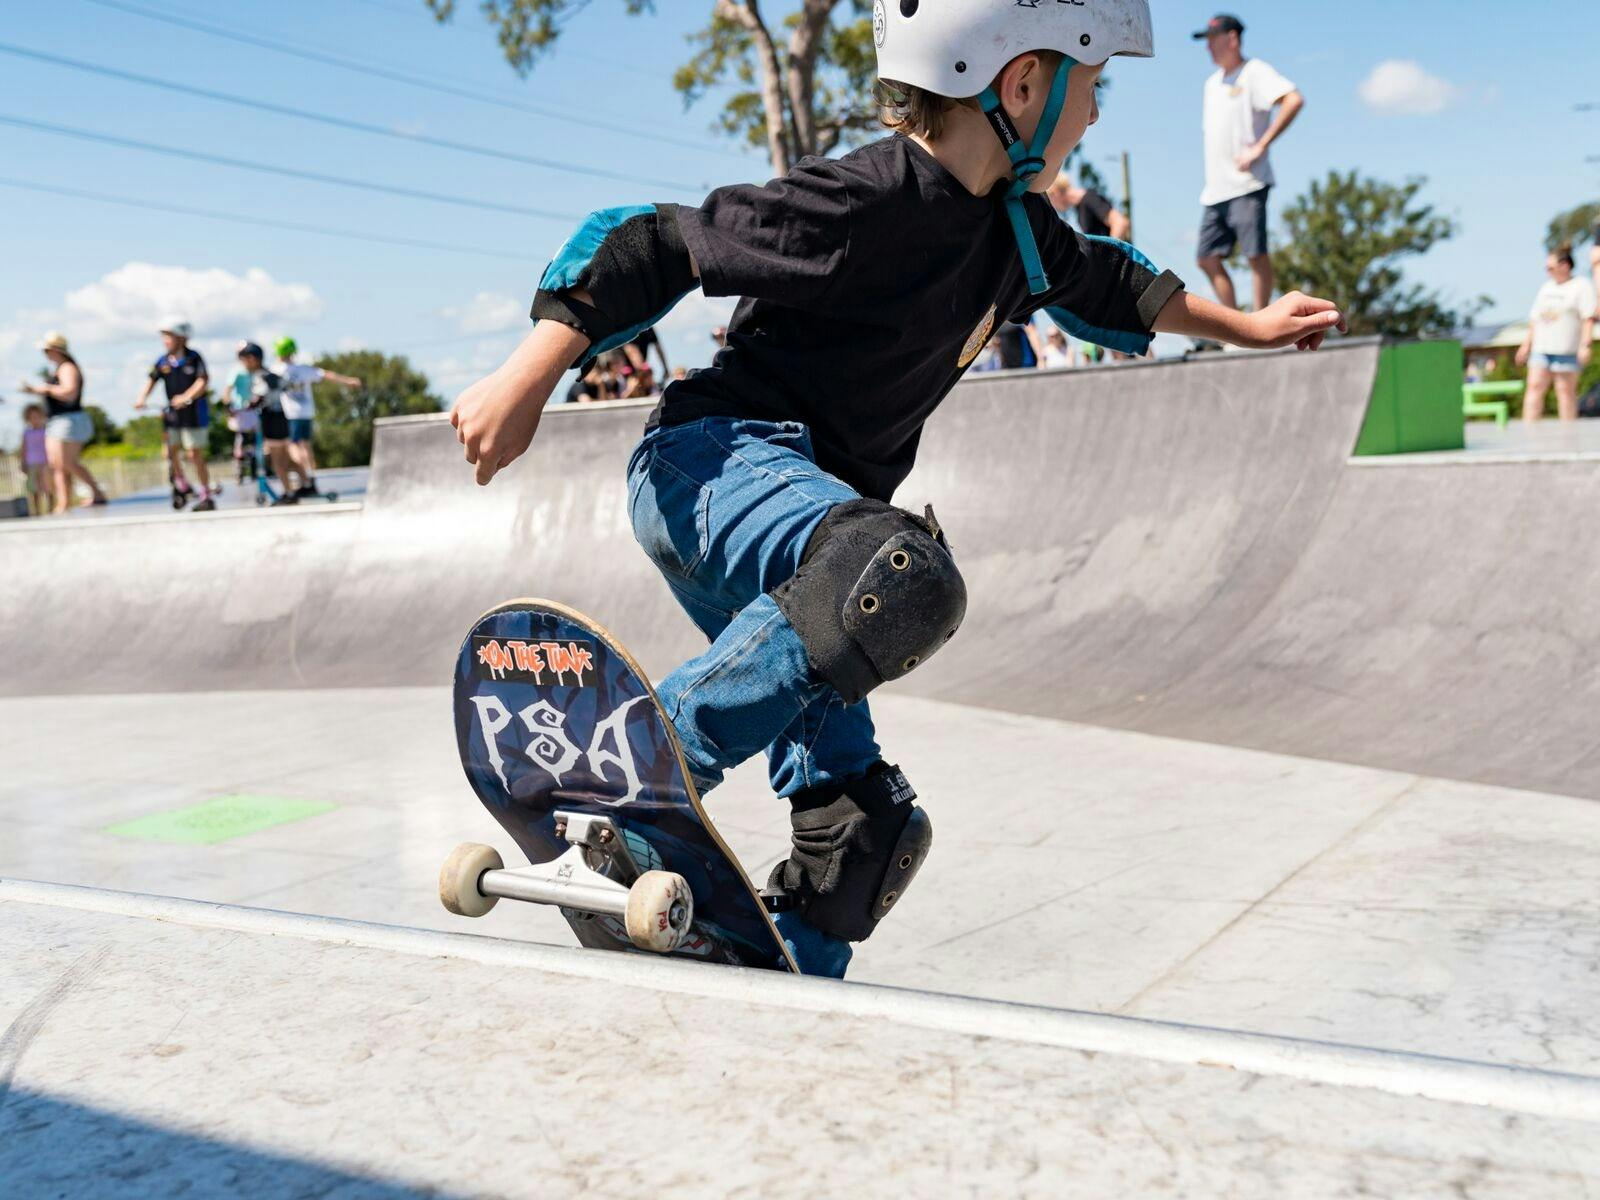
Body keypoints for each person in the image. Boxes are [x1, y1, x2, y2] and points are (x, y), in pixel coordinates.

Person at [450, 0, 1343, 978]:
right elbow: (647, 241)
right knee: (896, 572)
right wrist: (528, 375)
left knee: (861, 837)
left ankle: (776, 990)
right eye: (1092, 89)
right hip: (712, 463)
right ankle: (633, 765)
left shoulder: (1020, 238)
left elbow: (1122, 289)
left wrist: (1250, 328)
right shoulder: (869, 197)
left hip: (808, 541)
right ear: (1021, 86)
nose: (1094, 117)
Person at [1193, 14, 1304, 314]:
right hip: (1215, 190)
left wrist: (1260, 146)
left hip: (1247, 183)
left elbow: (1293, 100)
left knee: (1255, 254)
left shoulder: (1254, 72)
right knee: (1206, 258)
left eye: (1213, 40)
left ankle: (1260, 319)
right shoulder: (1211, 84)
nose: (1209, 48)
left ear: (1232, 39)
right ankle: (1236, 326)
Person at [20, 332, 108, 513]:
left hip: (68, 420)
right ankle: (66, 501)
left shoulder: (67, 368)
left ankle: (88, 495)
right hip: (59, 421)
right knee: (59, 465)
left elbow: (70, 392)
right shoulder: (60, 368)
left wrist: (45, 388)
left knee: (65, 463)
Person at [134, 319, 214, 511]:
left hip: (193, 414)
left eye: (169, 336)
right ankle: (182, 484)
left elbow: (202, 381)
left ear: (181, 338)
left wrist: (187, 396)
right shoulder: (163, 361)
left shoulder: (193, 358)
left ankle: (205, 492)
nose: (165, 341)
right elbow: (151, 380)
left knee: (194, 453)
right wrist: (142, 398)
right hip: (172, 415)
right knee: (170, 452)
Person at [273, 336, 362, 498]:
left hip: (291, 414)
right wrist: (348, 381)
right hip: (307, 413)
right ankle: (311, 478)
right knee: (306, 447)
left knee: (292, 446)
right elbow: (327, 375)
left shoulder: (276, 370)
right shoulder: (302, 369)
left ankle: (303, 478)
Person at [1515, 245, 1596, 423]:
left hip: (1566, 350)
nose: (1547, 272)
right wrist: (1526, 345)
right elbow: (1534, 319)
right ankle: (1529, 430)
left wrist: (1585, 345)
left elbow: (1588, 317)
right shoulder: (1546, 288)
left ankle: (1568, 436)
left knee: (1565, 393)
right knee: (1534, 387)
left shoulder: (1581, 286)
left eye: (1550, 267)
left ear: (1565, 265)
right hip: (1541, 349)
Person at [219, 346, 262, 482]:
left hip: (254, 409)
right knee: (241, 439)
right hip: (240, 410)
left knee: (256, 440)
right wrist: (227, 407)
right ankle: (239, 469)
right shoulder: (237, 372)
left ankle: (256, 468)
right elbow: (227, 390)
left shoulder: (257, 372)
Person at [1046, 172, 1131, 241]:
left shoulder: (1090, 199)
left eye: (1050, 201)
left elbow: (1120, 223)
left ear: (1055, 192)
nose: (1054, 207)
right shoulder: (1080, 208)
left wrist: (1111, 255)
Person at [18, 403, 53, 515]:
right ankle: (37, 511)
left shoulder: (47, 431)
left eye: (37, 417)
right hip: (31, 463)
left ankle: (50, 509)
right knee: (33, 488)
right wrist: (22, 463)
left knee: (47, 486)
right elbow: (23, 449)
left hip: (45, 463)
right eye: (32, 417)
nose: (35, 420)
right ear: (28, 419)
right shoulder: (26, 433)